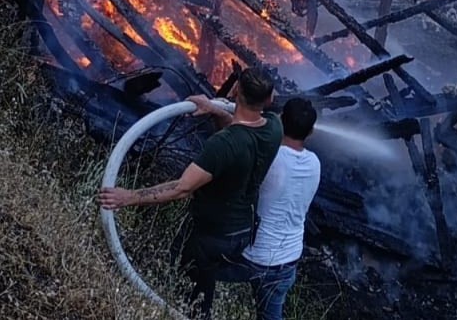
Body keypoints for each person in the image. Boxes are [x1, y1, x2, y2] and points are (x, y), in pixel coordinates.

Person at [97, 67, 282, 318]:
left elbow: (182, 187)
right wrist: (214, 108)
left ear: (235, 90)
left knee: (196, 301)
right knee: (186, 269)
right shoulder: (274, 128)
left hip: (212, 236)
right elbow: (243, 134)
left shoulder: (221, 145)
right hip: (243, 233)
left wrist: (129, 196)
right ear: (270, 99)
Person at [228, 97, 321, 320]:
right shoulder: (315, 163)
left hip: (251, 257)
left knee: (198, 263)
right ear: (311, 132)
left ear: (280, 120)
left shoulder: (269, 157)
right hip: (288, 261)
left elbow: (235, 137)